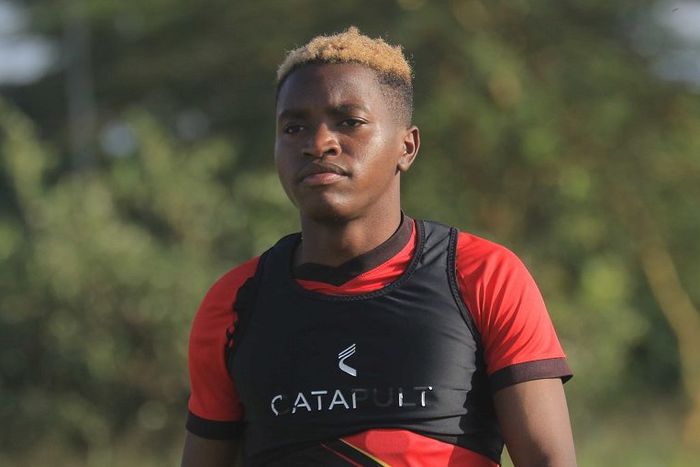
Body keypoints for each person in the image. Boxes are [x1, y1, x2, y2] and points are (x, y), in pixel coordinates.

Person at [181, 27, 576, 467]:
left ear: (407, 147)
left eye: (349, 122)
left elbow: (548, 459)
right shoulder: (234, 302)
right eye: (294, 127)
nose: (318, 143)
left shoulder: (483, 274)